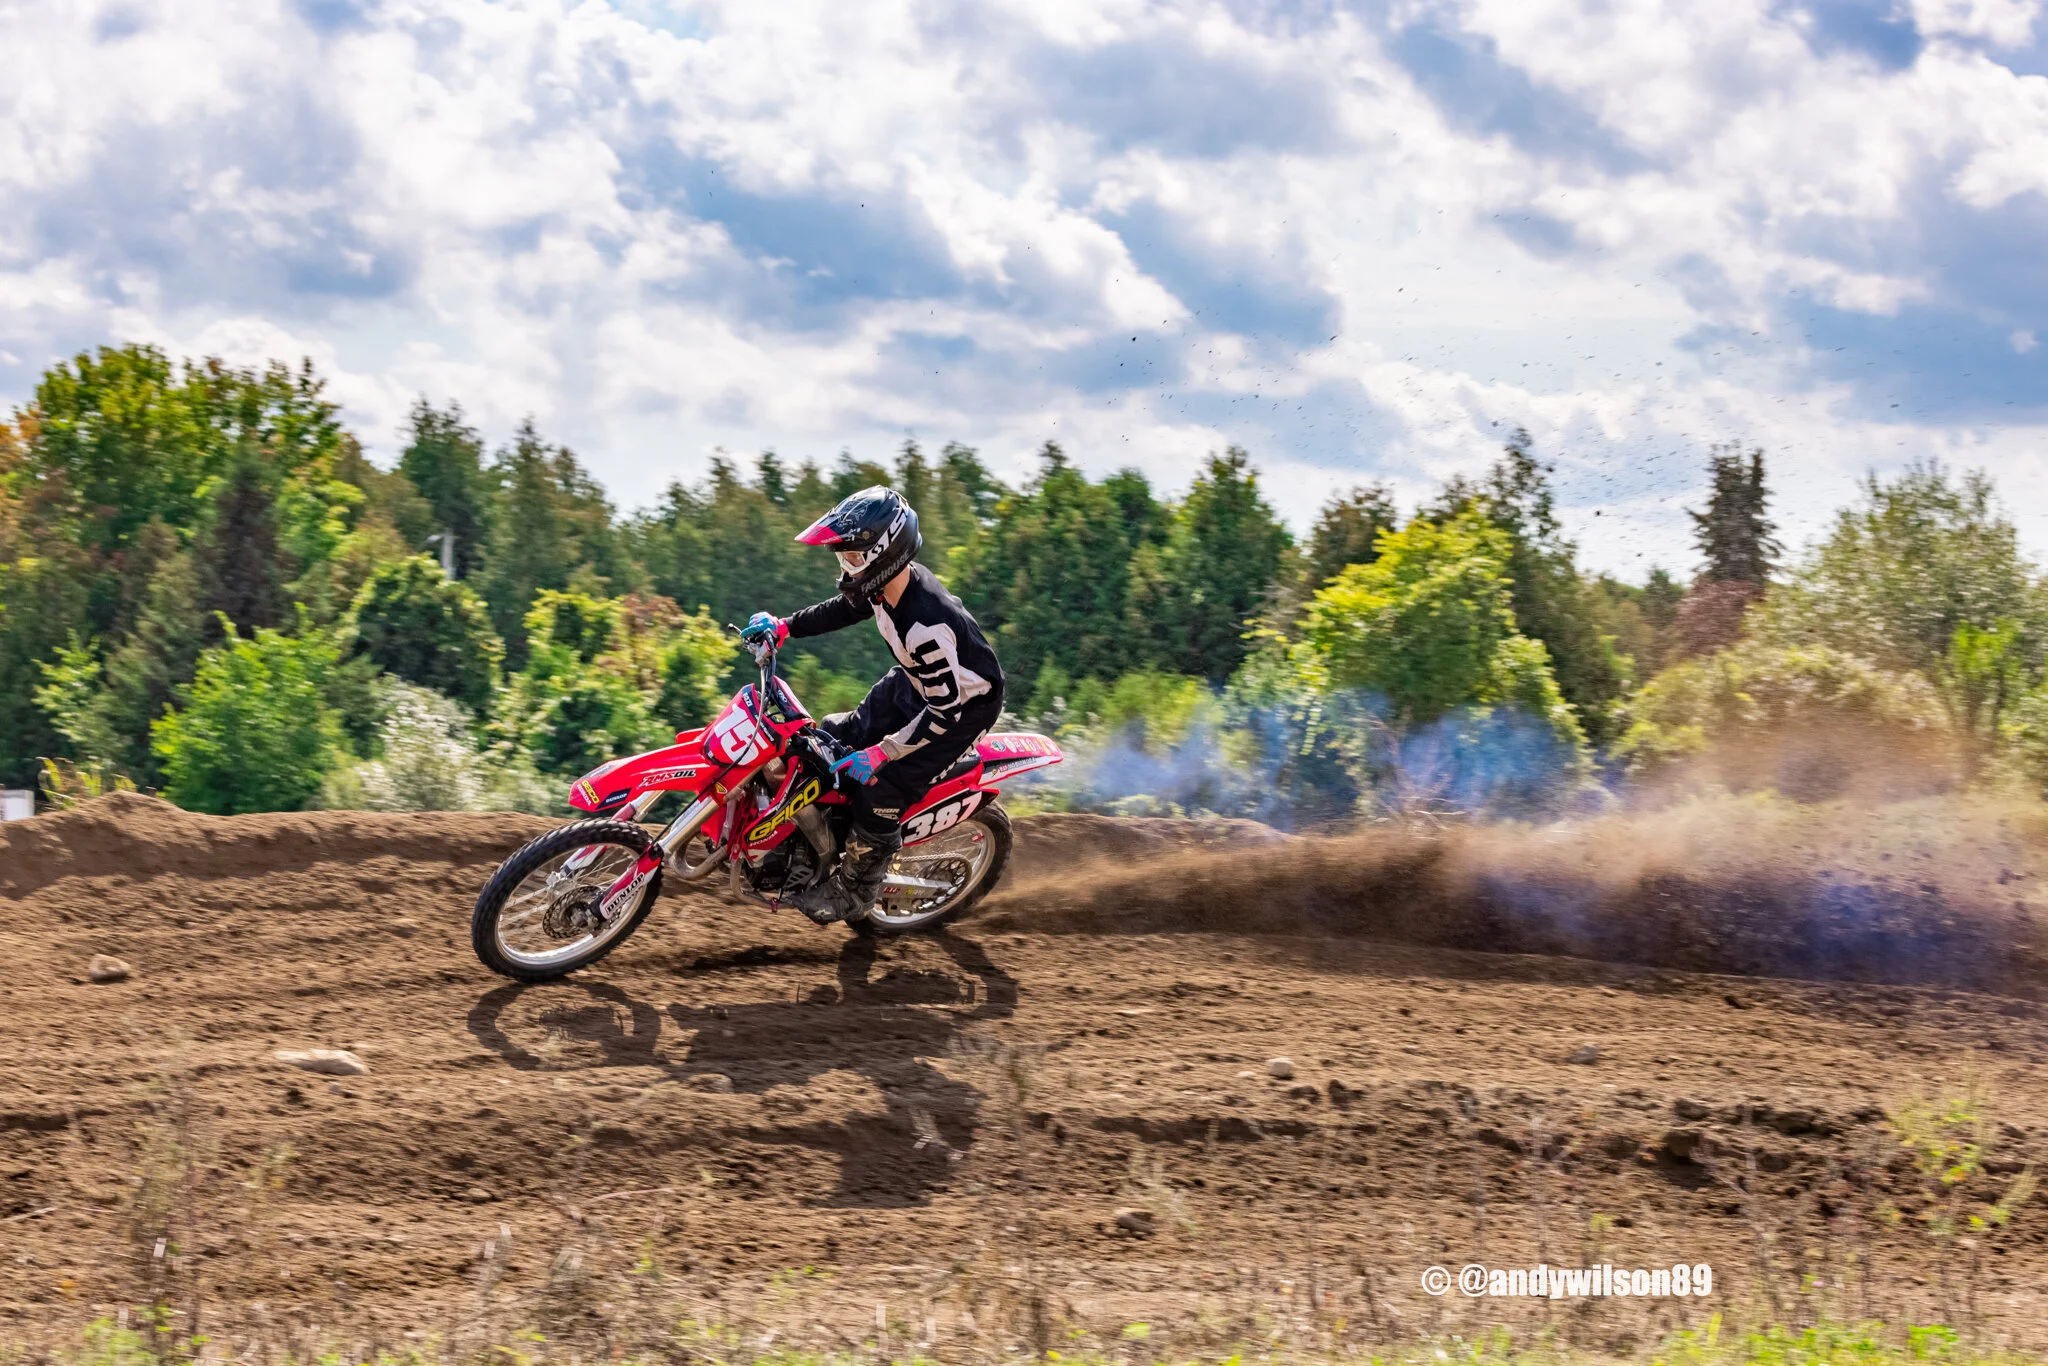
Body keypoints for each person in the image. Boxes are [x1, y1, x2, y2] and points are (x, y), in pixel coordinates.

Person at [739, 486, 1005, 924]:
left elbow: (944, 712)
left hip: (962, 709)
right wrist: (785, 627)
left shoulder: (925, 624)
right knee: (827, 737)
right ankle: (809, 848)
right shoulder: (887, 586)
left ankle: (856, 890)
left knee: (882, 788)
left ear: (886, 555)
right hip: (916, 682)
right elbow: (846, 609)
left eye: (854, 558)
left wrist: (882, 753)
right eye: (843, 557)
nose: (846, 567)